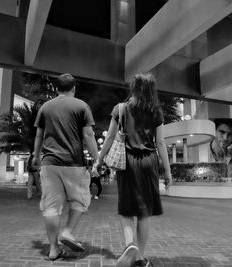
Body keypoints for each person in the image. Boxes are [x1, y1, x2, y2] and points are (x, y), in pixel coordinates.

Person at [96, 73, 172, 267]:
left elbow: (111, 137)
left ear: (134, 88)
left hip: (127, 163)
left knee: (127, 208)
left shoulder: (121, 108)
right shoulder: (156, 111)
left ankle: (130, 244)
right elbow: (161, 143)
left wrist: (100, 158)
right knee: (144, 212)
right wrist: (168, 172)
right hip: (149, 162)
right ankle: (140, 258)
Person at [32, 73, 98, 261]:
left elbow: (39, 135)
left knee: (51, 207)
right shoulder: (82, 106)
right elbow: (88, 135)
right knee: (80, 199)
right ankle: (67, 231)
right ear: (74, 88)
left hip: (49, 163)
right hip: (73, 163)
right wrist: (97, 158)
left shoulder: (46, 107)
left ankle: (53, 249)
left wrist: (36, 156)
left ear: (56, 88)